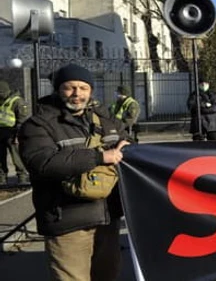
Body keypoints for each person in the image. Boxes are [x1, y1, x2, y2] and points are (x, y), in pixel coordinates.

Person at [18, 64, 131, 281]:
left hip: (107, 220)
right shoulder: (38, 125)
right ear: (58, 89)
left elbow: (128, 146)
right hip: (67, 223)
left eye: (83, 88)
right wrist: (99, 157)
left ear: (91, 91)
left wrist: (129, 147)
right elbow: (43, 163)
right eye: (70, 87)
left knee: (108, 276)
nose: (77, 94)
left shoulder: (107, 121)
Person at [0, 80, 30, 185]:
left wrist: (17, 135)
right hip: (1, 132)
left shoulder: (17, 101)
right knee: (0, 158)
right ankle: (2, 179)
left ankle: (22, 177)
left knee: (16, 157)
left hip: (13, 133)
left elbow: (22, 120)